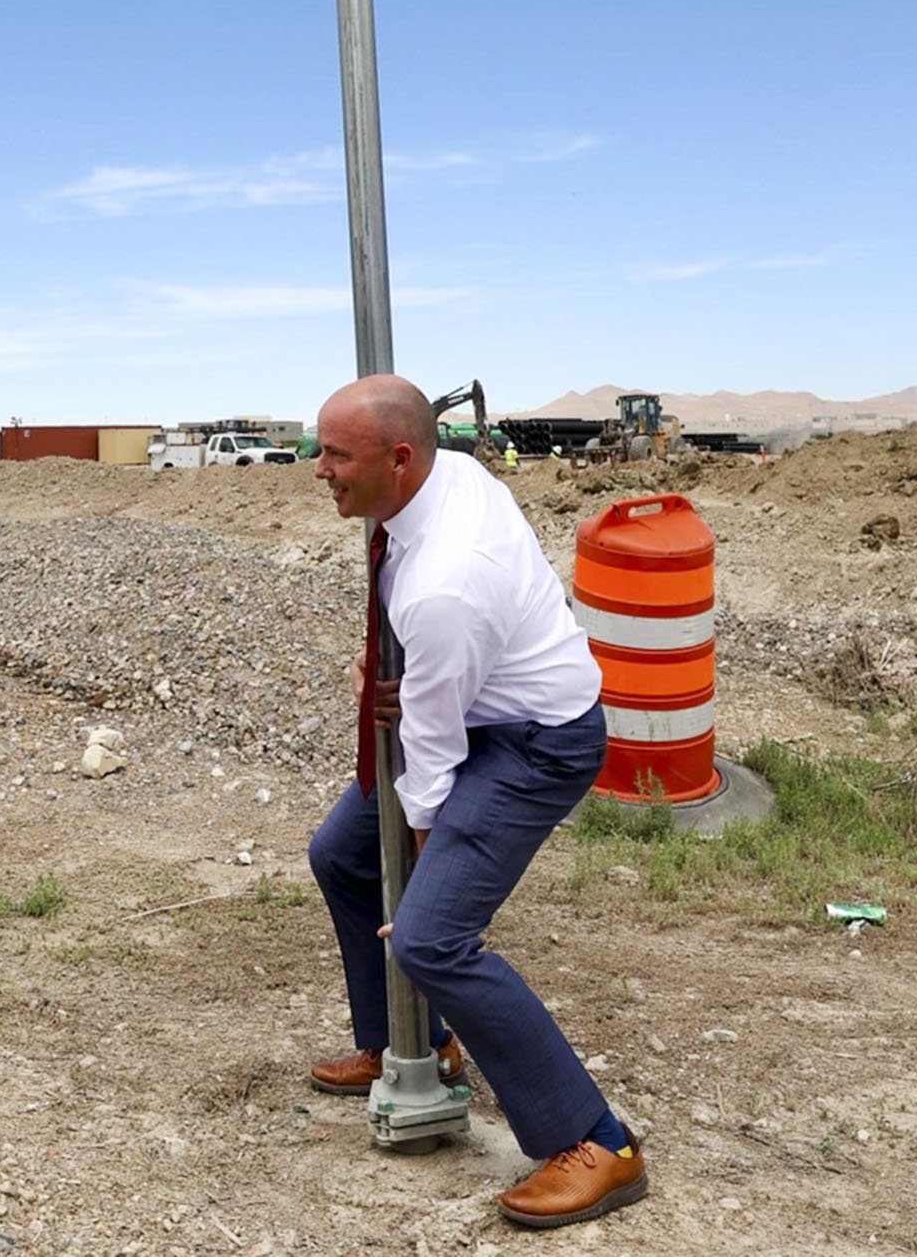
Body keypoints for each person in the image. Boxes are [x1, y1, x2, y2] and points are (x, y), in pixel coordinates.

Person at [303, 374, 649, 1231]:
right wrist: (404, 671)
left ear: (399, 457)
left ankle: (598, 1142)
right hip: (480, 705)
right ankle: (409, 1043)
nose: (320, 469)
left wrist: (425, 873)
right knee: (341, 853)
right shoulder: (436, 482)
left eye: (337, 454)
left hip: (535, 742)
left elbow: (431, 760)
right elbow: (429, 696)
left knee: (429, 934)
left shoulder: (446, 584)